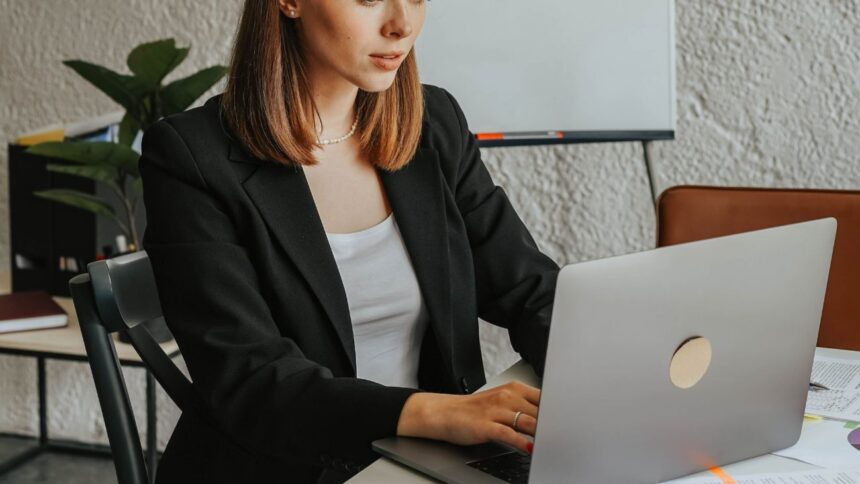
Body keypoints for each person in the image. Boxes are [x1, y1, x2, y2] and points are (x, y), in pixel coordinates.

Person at [139, 0, 560, 482]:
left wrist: (593, 373)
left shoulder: (434, 122)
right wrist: (437, 412)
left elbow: (529, 289)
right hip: (280, 469)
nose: (402, 25)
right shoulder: (190, 156)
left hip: (426, 461)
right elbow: (249, 379)